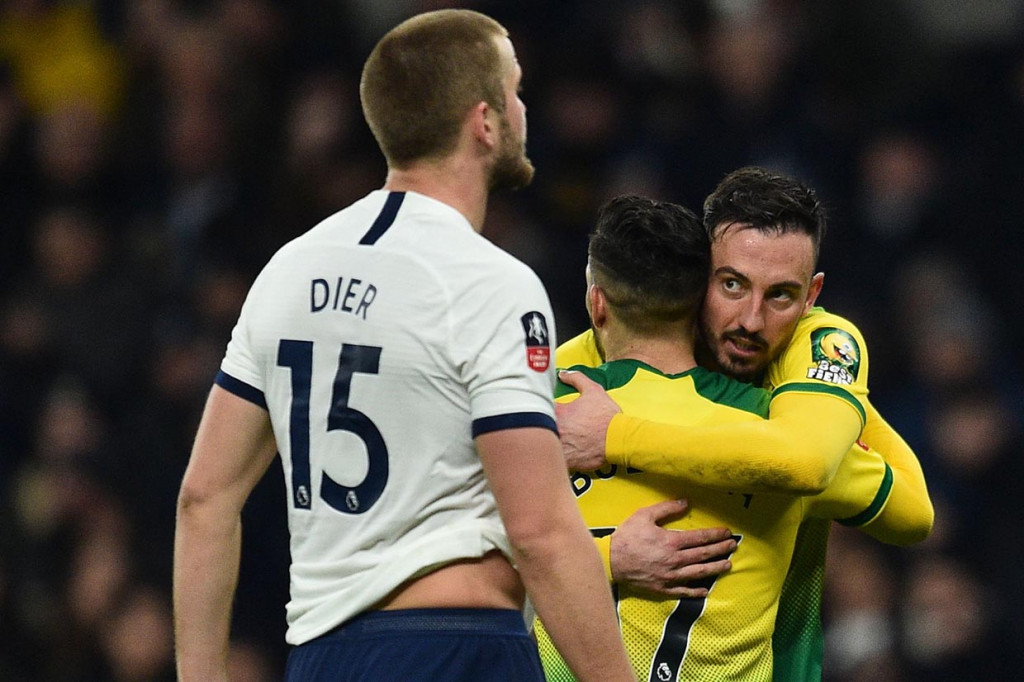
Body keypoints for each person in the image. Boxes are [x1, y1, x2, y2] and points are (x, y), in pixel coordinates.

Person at [172, 10, 634, 682]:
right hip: (459, 648)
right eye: (515, 91)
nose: (523, 110)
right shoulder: (490, 283)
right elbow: (539, 533)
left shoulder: (287, 272)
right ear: (484, 121)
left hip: (323, 656)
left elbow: (203, 500)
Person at [555, 167, 934, 679]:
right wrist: (604, 556)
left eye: (780, 295)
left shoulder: (812, 359)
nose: (751, 321)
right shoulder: (578, 376)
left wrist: (841, 402)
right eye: (732, 284)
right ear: (697, 276)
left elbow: (810, 464)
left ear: (811, 297)